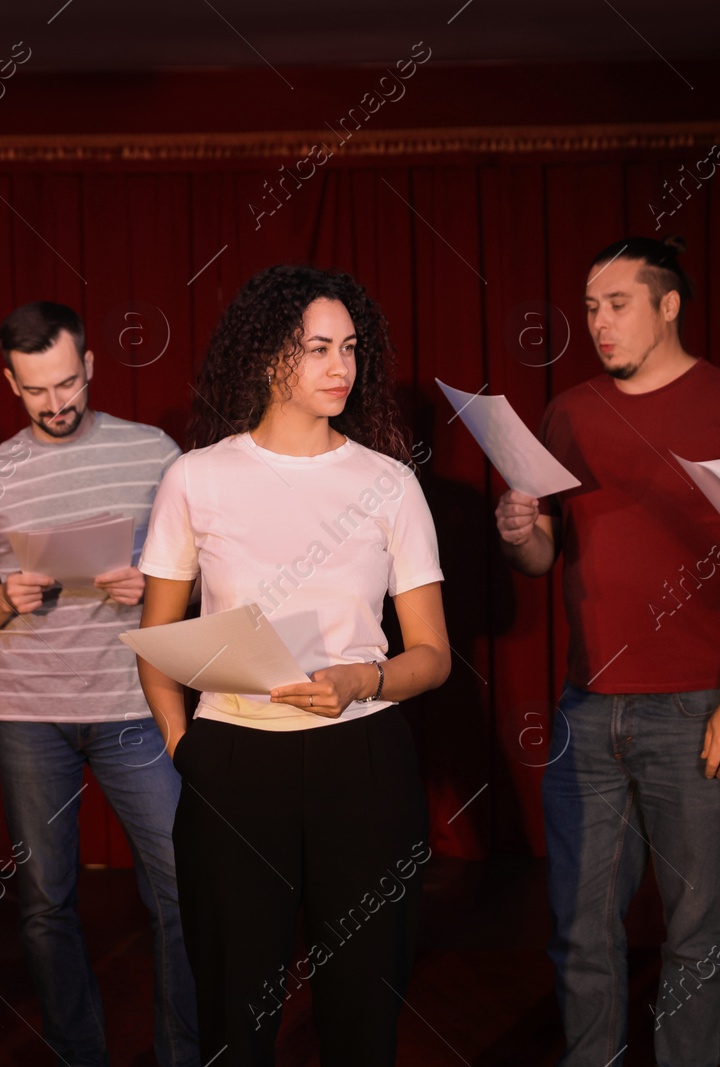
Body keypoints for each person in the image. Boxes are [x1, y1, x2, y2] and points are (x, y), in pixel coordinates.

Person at [135, 264, 450, 1066]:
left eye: (349, 348)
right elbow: (157, 641)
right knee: (235, 1018)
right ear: (271, 355)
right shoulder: (195, 477)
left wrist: (363, 680)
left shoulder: (390, 484)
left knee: (362, 1014)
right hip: (234, 760)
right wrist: (184, 747)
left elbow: (433, 656)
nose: (341, 366)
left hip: (365, 758)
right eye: (318, 349)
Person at [496, 236, 720, 1066]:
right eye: (589, 307)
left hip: (697, 707)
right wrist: (520, 533)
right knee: (580, 924)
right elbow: (541, 557)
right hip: (587, 708)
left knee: (698, 928)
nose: (597, 323)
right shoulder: (570, 410)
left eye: (616, 304)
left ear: (669, 306)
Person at [0, 300, 197, 1067]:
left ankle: (182, 1056)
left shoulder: (154, 451)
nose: (54, 404)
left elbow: (211, 569)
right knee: (47, 902)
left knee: (182, 889)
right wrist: (0, 599)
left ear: (89, 365)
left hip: (136, 705)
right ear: (10, 384)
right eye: (34, 390)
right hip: (28, 713)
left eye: (65, 383)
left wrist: (151, 587)